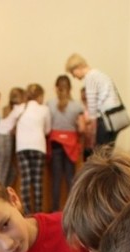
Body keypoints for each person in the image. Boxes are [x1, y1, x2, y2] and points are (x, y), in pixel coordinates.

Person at [66, 53, 123, 151]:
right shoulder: (100, 74)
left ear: (78, 67)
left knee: (100, 154)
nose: (74, 76)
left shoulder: (90, 78)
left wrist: (91, 128)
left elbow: (92, 106)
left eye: (72, 72)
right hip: (117, 117)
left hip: (106, 119)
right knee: (108, 151)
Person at [47, 75, 85, 211]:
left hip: (55, 142)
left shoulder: (50, 104)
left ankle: (54, 210)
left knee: (56, 180)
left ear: (56, 88)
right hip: (71, 144)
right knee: (70, 179)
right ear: (70, 88)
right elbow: (82, 128)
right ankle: (71, 211)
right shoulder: (77, 106)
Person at [15, 83, 51, 214]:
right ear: (40, 96)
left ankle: (26, 212)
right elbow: (47, 130)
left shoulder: (19, 108)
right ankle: (38, 212)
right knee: (37, 181)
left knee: (25, 180)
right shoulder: (44, 109)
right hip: (38, 146)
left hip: (22, 147)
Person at [0, 87, 25, 187]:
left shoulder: (7, 109)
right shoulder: (22, 107)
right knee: (2, 173)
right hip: (5, 140)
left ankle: (3, 192)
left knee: (11, 172)